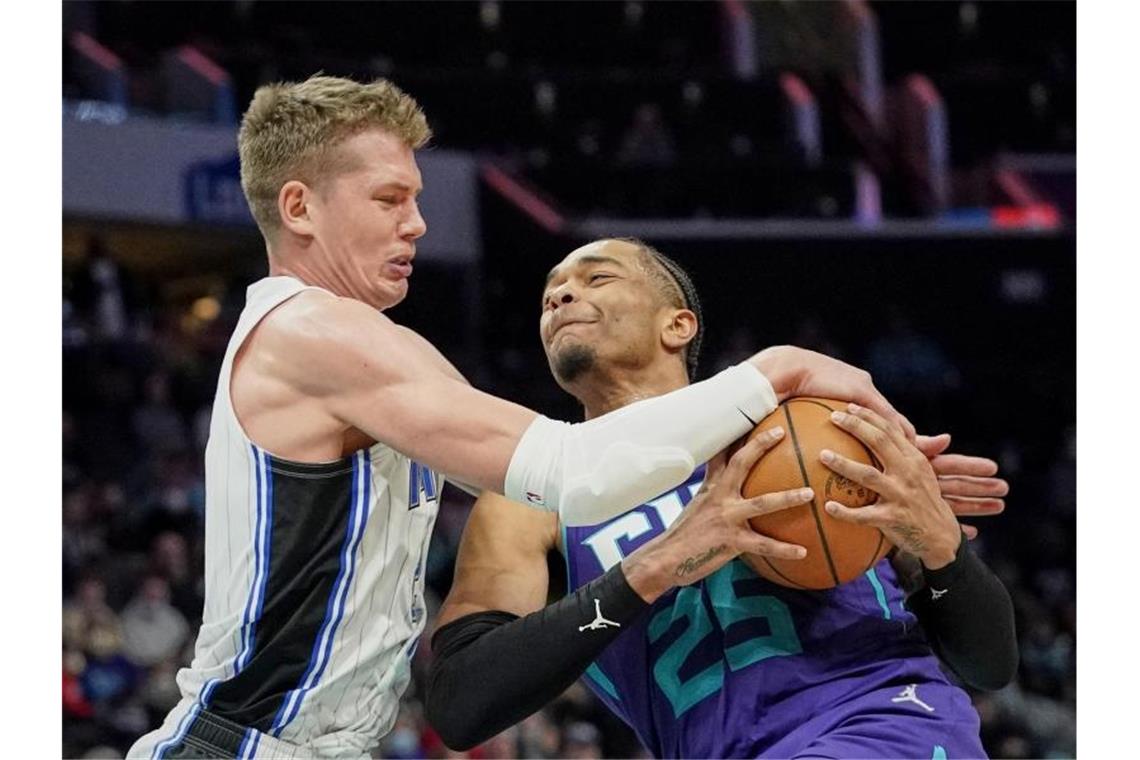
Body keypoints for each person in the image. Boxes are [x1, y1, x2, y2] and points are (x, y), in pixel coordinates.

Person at [126, 76, 908, 760]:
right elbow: (576, 473)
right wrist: (777, 372)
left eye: (418, 200)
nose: (417, 224)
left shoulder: (383, 349)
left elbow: (575, 467)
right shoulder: (311, 332)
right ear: (298, 206)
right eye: (390, 199)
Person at [425, 238, 1018, 757]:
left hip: (884, 723)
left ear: (676, 326)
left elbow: (988, 664)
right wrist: (653, 568)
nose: (559, 298)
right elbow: (460, 706)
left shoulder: (801, 426)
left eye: (596, 277)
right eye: (549, 295)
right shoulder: (529, 503)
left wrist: (941, 547)